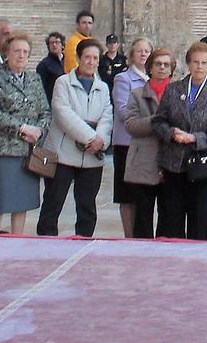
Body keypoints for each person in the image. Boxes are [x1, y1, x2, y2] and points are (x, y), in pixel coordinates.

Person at [154, 39, 207, 240]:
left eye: (204, 63)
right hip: (173, 163)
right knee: (172, 217)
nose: (199, 67)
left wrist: (194, 138)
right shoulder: (173, 89)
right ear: (188, 63)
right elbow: (158, 121)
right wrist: (171, 133)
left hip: (200, 165)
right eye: (195, 62)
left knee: (199, 218)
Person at [39, 38, 112, 237]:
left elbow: (107, 115)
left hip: (91, 156)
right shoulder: (63, 83)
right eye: (87, 57)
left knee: (87, 206)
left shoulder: (103, 88)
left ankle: (83, 240)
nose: (91, 61)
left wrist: (101, 140)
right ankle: (45, 241)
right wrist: (91, 138)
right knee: (53, 202)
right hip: (63, 153)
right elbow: (63, 113)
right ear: (79, 58)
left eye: (95, 58)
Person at [0, 33, 49, 235]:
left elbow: (45, 110)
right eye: (16, 51)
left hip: (28, 149)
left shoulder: (34, 79)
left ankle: (17, 238)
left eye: (25, 52)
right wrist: (21, 128)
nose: (21, 56)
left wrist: (38, 130)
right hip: (2, 148)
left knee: (22, 199)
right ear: (7, 53)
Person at [121, 48, 174, 238]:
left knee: (169, 215)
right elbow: (130, 125)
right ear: (150, 67)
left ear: (171, 69)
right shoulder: (137, 94)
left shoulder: (178, 94)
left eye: (166, 64)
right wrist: (157, 120)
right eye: (158, 64)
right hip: (144, 159)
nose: (162, 67)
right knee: (143, 214)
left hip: (171, 160)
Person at [109, 34, 153, 237]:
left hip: (149, 144)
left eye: (147, 51)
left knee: (143, 193)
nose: (143, 54)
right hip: (127, 143)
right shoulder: (123, 78)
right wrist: (154, 120)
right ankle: (129, 235)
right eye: (139, 51)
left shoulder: (154, 79)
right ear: (131, 55)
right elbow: (123, 110)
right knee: (127, 194)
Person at [36, 31, 66, 102]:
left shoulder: (69, 61)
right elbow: (40, 88)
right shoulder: (44, 65)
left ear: (62, 45)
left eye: (57, 42)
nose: (54, 45)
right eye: (51, 43)